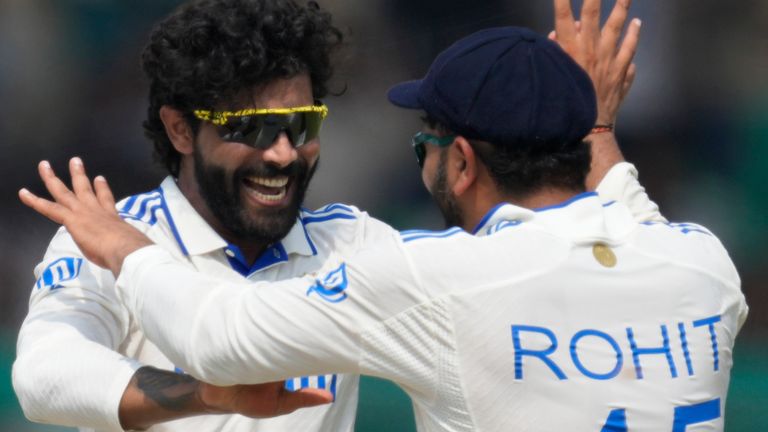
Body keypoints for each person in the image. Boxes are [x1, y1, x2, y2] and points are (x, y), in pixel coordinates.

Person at [22, 4, 748, 432]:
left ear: (459, 159)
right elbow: (43, 374)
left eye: (302, 124)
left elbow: (220, 333)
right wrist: (583, 125)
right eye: (250, 127)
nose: (283, 152)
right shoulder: (698, 261)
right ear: (181, 130)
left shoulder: (363, 246)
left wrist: (127, 252)